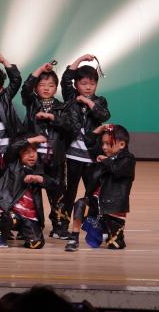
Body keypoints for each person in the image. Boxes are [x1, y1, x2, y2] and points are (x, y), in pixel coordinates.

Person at [21, 61, 73, 239]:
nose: (46, 88)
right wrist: (40, 69)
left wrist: (52, 117)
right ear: (36, 88)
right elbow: (25, 89)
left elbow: (69, 126)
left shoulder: (62, 107)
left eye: (50, 85)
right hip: (34, 157)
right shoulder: (32, 103)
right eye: (42, 85)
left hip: (55, 158)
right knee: (31, 191)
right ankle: (32, 225)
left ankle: (59, 226)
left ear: (56, 88)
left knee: (57, 192)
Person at [60, 54, 110, 230]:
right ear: (76, 84)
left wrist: (88, 101)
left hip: (92, 155)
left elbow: (104, 115)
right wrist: (80, 59)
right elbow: (66, 79)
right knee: (69, 191)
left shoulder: (100, 101)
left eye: (92, 84)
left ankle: (94, 223)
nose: (88, 87)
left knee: (93, 191)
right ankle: (63, 225)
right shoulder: (70, 97)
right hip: (73, 156)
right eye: (83, 83)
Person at [65, 124, 135, 252]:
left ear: (122, 145)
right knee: (80, 203)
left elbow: (117, 170)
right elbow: (89, 142)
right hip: (96, 204)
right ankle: (74, 238)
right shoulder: (103, 156)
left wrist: (106, 160)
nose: (104, 147)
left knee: (116, 245)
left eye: (108, 144)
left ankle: (107, 232)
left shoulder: (128, 159)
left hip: (113, 208)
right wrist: (99, 130)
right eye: (103, 144)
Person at [0, 135, 58, 249]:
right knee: (8, 218)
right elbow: (12, 148)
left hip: (29, 216)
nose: (32, 155)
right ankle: (0, 235)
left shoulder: (38, 168)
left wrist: (38, 178)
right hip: (12, 212)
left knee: (36, 244)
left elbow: (54, 185)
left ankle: (25, 233)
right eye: (27, 152)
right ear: (19, 153)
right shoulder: (12, 164)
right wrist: (33, 140)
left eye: (34, 151)